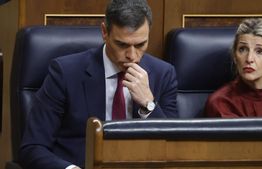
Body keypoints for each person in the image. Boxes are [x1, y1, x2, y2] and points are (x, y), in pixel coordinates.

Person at [19, 0, 178, 169]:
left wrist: (148, 104)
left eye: (140, 44)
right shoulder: (66, 73)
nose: (132, 55)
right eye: (122, 44)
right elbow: (32, 148)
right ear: (104, 32)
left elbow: (175, 148)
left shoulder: (163, 74)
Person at [204, 18, 262, 117]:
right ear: (235, 56)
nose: (249, 59)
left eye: (260, 51)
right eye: (243, 49)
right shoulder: (221, 103)